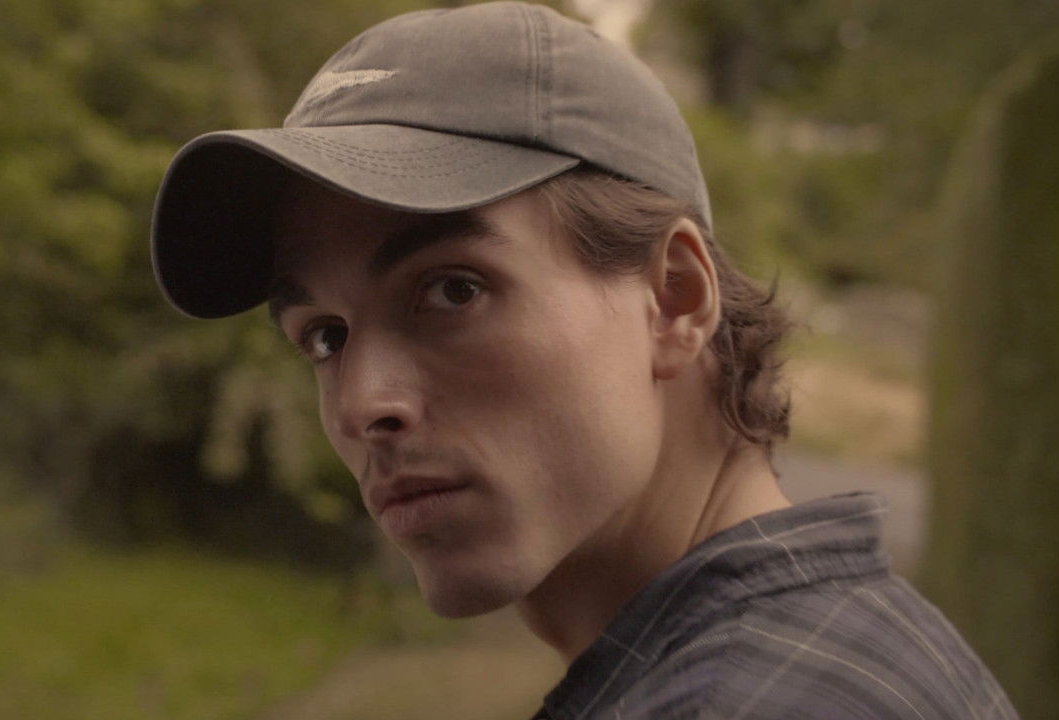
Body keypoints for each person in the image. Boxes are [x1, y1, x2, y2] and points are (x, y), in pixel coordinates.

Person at [149, 3, 1019, 718]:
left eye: (452, 290)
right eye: (325, 337)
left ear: (674, 298)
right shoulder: (823, 644)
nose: (361, 404)